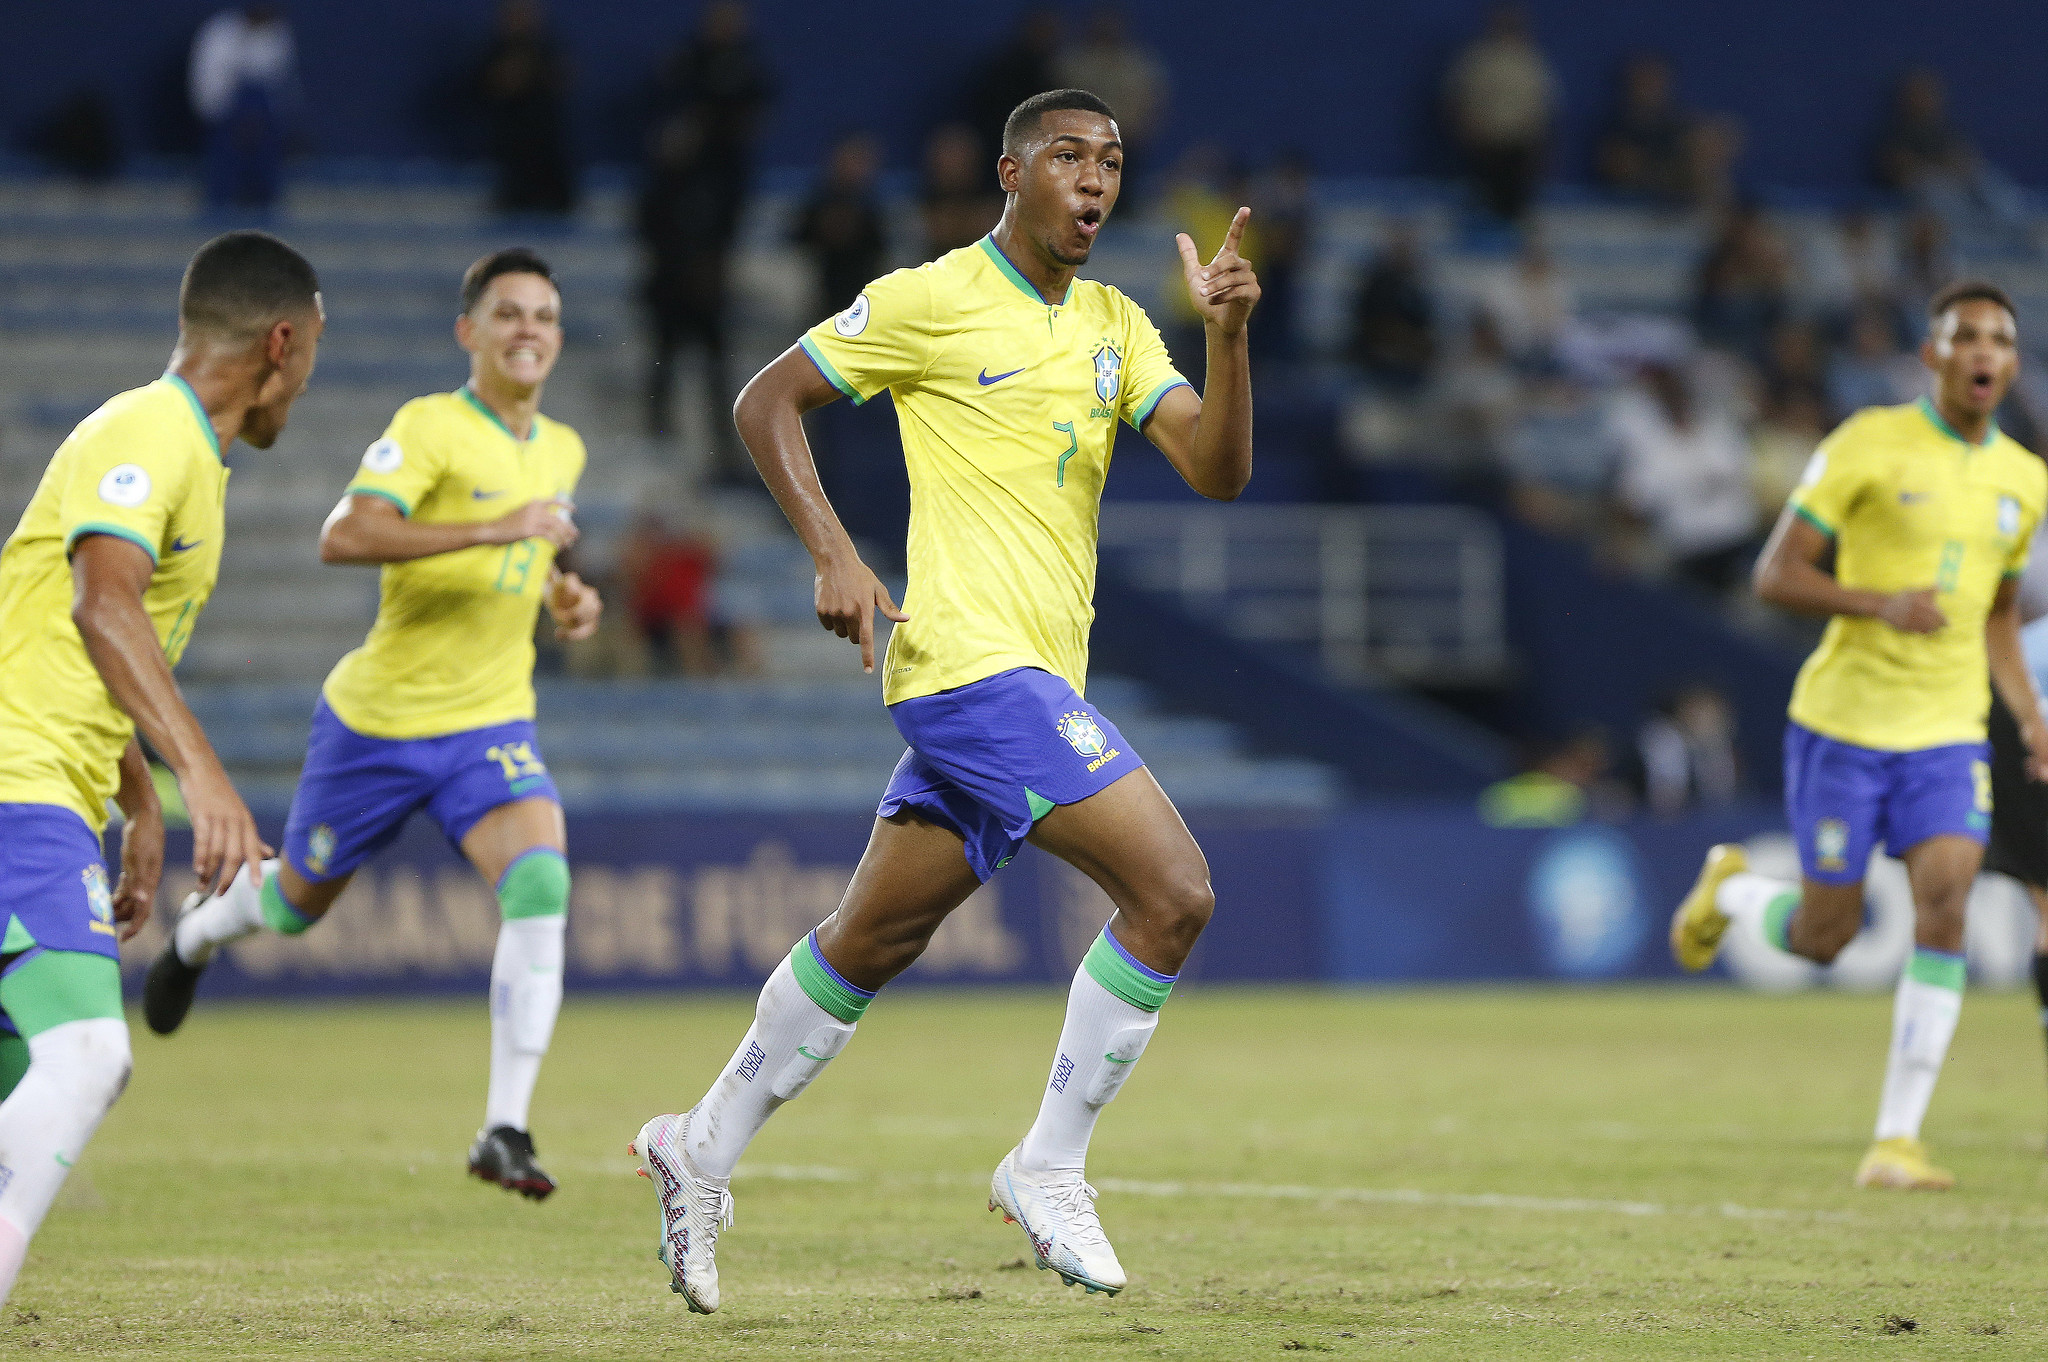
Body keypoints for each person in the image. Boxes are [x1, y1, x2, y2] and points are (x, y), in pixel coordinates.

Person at [628, 88, 1258, 1313]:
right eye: (1069, 158)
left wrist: (1227, 336)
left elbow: (1216, 471)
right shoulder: (928, 298)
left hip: (1032, 676)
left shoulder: (1119, 325)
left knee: (871, 940)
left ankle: (693, 1149)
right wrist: (832, 550)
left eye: (1112, 163)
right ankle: (1048, 1164)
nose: (1095, 181)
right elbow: (767, 401)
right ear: (1013, 176)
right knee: (1173, 894)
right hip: (968, 668)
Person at [143, 249, 602, 1202]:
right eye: (508, 314)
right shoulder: (430, 426)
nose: (529, 331)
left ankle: (503, 1127)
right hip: (378, 727)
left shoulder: (561, 449)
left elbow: (527, 554)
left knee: (542, 880)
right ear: (467, 333)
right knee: (293, 907)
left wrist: (563, 596)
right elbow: (342, 534)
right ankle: (194, 937)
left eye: (545, 317)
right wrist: (497, 529)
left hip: (490, 727)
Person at [0, 231, 323, 1306]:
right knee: (89, 1058)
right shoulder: (153, 430)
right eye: (313, 351)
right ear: (281, 341)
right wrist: (201, 779)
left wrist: (138, 798)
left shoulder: (194, 460)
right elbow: (103, 602)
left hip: (55, 780)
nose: (308, 378)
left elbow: (79, 630)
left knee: (20, 1080)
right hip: (17, 778)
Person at [1671, 280, 2048, 1192]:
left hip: (1950, 733)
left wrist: (2030, 718)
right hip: (1844, 723)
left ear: (2013, 362)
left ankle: (1897, 1140)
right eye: (1966, 337)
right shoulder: (1868, 445)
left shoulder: (2025, 481)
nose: (1984, 352)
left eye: (2000, 338)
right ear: (1934, 354)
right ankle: (1735, 889)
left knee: (1948, 896)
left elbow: (1999, 616)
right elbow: (1774, 575)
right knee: (1824, 936)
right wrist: (1880, 603)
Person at [1443, 3, 1555, 223]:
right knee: (1486, 189)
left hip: (1519, 143)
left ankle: (1514, 219)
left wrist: (1533, 137)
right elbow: (1457, 99)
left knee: (1516, 192)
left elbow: (1544, 107)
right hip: (1484, 141)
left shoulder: (1531, 62)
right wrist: (1470, 129)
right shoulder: (1476, 60)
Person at [189, 5, 296, 211]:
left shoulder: (278, 34)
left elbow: (284, 85)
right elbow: (205, 83)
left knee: (265, 186)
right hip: (225, 118)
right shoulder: (221, 32)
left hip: (265, 124)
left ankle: (266, 217)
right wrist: (228, 119)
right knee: (223, 181)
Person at [476, 0, 577, 216]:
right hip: (511, 157)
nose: (520, 21)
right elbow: (485, 88)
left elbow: (563, 81)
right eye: (514, 15)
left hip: (548, 155)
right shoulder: (490, 55)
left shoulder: (549, 53)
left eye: (526, 14)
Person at [793, 133, 887, 323]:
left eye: (861, 161)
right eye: (850, 159)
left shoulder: (873, 209)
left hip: (863, 302)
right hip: (819, 299)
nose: (856, 168)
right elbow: (798, 245)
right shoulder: (816, 203)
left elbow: (880, 252)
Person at [1597, 53, 1689, 205]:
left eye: (1655, 81)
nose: (1649, 89)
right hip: (1622, 213)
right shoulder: (1614, 131)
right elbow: (1620, 169)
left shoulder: (1679, 130)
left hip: (1676, 213)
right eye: (1643, 82)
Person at [921, 123, 1003, 258]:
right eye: (948, 156)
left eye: (962, 156)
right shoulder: (912, 211)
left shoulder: (1000, 213)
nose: (955, 164)